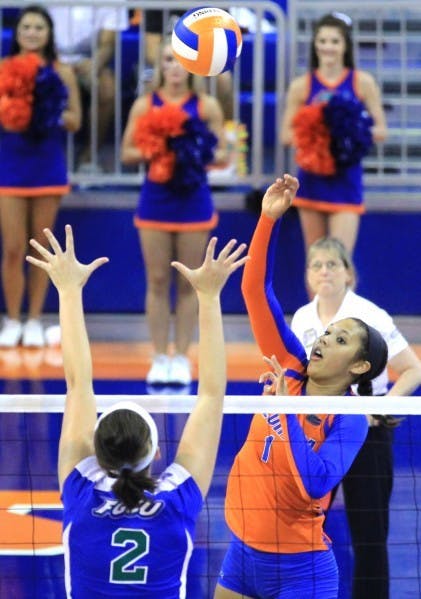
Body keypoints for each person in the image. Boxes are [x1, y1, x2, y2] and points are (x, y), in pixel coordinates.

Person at [26, 224, 248, 597]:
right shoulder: (177, 500)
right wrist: (208, 298)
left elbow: (78, 383)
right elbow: (212, 394)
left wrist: (67, 290)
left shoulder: (81, 491)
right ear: (156, 452)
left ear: (96, 453)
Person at [214, 176, 389, 599]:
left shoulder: (350, 421)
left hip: (301, 571)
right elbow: (254, 291)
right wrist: (268, 220)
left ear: (360, 367)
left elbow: (314, 484)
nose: (326, 338)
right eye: (329, 332)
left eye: (342, 340)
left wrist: (285, 408)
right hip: (240, 553)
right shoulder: (290, 366)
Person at [290, 236, 421, 599]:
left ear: (349, 273)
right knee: (304, 522)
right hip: (318, 429)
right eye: (315, 265)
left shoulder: (372, 315)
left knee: (369, 534)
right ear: (307, 276)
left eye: (332, 264)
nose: (324, 271)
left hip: (367, 431)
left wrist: (377, 409)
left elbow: (412, 370)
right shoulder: (302, 317)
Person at [121, 37, 228, 386]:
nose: (174, 67)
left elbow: (222, 154)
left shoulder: (207, 105)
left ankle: (181, 356)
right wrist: (158, 146)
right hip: (155, 200)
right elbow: (127, 153)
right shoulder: (144, 105)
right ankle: (158, 356)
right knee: (156, 280)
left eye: (181, 60)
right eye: (168, 59)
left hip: (194, 200)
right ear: (161, 65)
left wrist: (189, 149)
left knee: (188, 283)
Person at [0, 4, 81, 348]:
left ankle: (35, 319)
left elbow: (76, 119)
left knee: (41, 248)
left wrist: (46, 114)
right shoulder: (2, 69)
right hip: (10, 165)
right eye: (26, 27)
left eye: (39, 27)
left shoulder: (62, 72)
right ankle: (12, 319)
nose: (32, 33)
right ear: (16, 33)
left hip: (47, 165)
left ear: (49, 34)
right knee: (14, 247)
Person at [281, 13, 387, 255]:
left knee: (340, 258)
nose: (328, 47)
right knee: (315, 259)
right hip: (311, 179)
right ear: (315, 45)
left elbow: (381, 130)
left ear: (346, 45)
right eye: (323, 41)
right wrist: (315, 137)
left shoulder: (363, 82)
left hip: (346, 179)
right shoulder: (302, 85)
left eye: (335, 41)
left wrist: (349, 134)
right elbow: (286, 135)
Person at [48, 2, 129, 172]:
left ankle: (89, 156)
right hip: (49, 58)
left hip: (87, 60)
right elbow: (37, 28)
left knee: (107, 89)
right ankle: (41, 152)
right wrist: (57, 64)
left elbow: (107, 43)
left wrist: (94, 65)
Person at [143, 8, 234, 121]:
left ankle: (225, 129)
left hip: (204, 59)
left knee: (223, 78)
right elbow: (151, 50)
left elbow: (223, 45)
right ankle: (150, 131)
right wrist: (176, 60)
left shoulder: (216, 5)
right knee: (149, 79)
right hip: (166, 58)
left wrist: (194, 61)